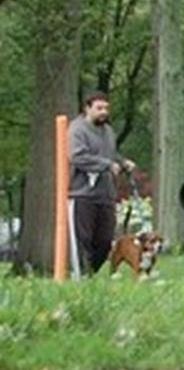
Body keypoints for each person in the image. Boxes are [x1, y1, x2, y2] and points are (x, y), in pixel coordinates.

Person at [67, 91, 134, 275]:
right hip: (81, 194)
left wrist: (122, 162)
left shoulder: (108, 131)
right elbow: (76, 156)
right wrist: (106, 165)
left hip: (105, 194)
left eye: (106, 108)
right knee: (83, 240)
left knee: (105, 242)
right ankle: (79, 276)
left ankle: (90, 274)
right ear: (87, 109)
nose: (104, 112)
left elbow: (110, 155)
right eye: (99, 108)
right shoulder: (77, 129)